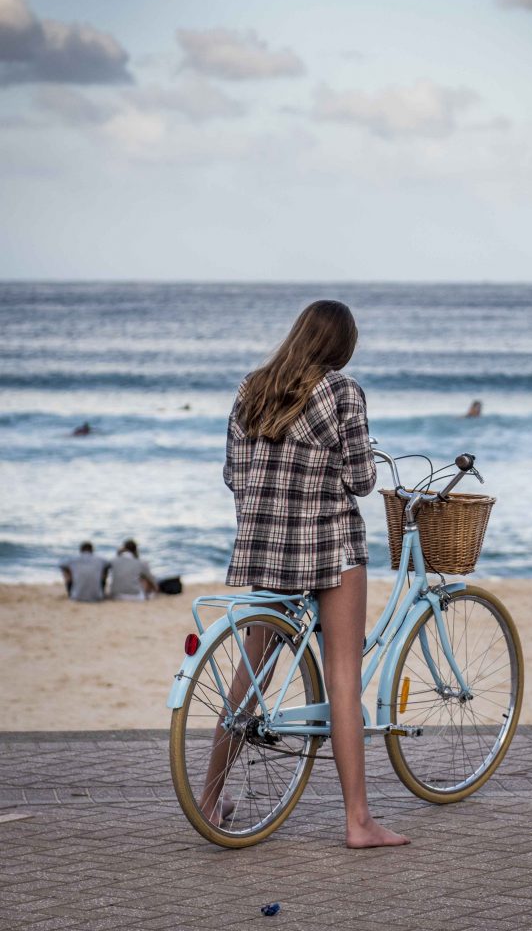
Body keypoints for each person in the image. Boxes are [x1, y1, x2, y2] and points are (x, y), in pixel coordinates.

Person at [201, 300, 409, 849]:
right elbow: (363, 481)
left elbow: (231, 474)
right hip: (329, 548)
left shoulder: (252, 387)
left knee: (249, 679)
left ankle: (207, 802)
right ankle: (358, 822)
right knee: (343, 676)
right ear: (340, 347)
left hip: (267, 549)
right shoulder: (342, 392)